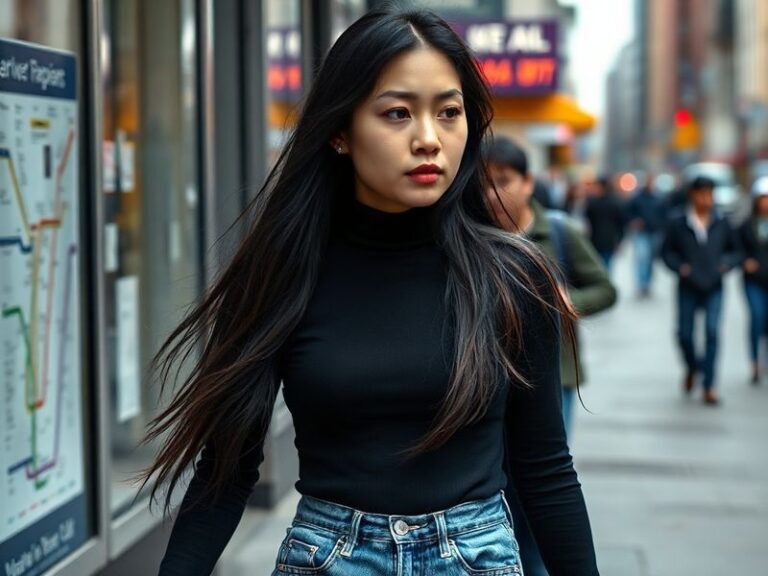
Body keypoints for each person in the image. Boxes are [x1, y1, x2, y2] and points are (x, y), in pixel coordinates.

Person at [140, 8, 599, 576]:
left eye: (449, 112)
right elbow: (226, 470)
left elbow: (545, 469)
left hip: (475, 557)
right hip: (331, 557)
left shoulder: (514, 279)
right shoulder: (282, 274)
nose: (428, 139)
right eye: (398, 113)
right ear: (339, 131)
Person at [484, 136, 615, 576]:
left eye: (503, 181)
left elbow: (605, 287)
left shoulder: (558, 231)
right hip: (492, 383)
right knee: (502, 485)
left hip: (552, 378)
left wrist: (568, 302)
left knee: (537, 481)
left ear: (527, 183)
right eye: (483, 183)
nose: (492, 194)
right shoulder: (473, 236)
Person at [661, 175, 740, 405]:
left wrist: (726, 264)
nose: (707, 199)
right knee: (684, 334)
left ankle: (709, 384)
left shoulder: (722, 221)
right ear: (692, 195)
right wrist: (680, 267)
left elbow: (735, 250)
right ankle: (693, 367)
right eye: (702, 193)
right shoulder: (678, 221)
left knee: (712, 333)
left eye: (710, 194)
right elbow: (666, 253)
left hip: (714, 285)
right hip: (688, 285)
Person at [737, 176, 768, 385]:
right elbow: (735, 248)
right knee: (756, 318)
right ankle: (755, 361)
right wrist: (744, 261)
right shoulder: (746, 225)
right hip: (753, 281)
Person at [626, 174, 666, 297]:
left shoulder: (659, 198)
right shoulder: (637, 198)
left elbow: (665, 215)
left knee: (651, 260)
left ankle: (648, 283)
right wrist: (634, 221)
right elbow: (627, 212)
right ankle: (642, 284)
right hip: (641, 233)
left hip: (655, 232)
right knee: (642, 258)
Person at [584, 176, 625, 272]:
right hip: (606, 240)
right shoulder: (614, 202)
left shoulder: (592, 202)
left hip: (598, 240)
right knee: (606, 268)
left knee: (600, 268)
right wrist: (619, 239)